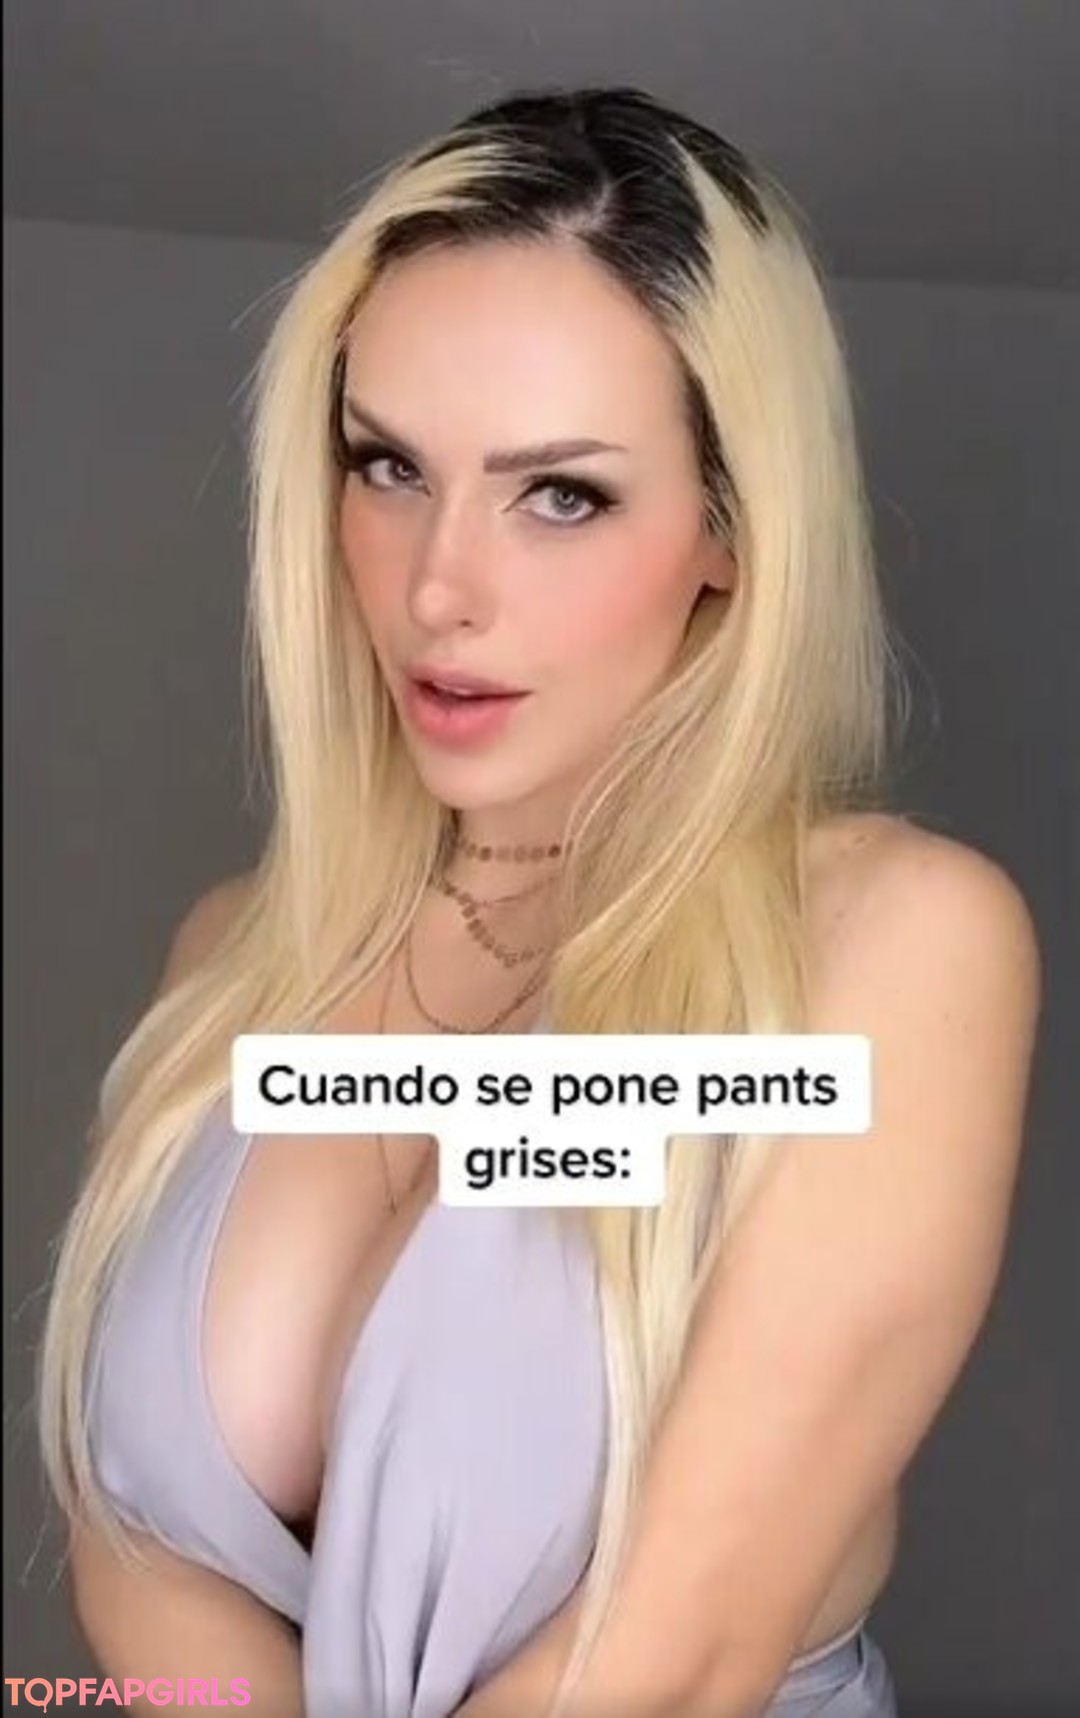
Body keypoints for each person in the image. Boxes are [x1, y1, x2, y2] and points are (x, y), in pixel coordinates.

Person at [36, 86, 1040, 1717]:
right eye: (388, 466)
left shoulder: (894, 947)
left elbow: (676, 1654)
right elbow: (137, 1563)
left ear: (728, 528)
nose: (440, 587)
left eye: (560, 493)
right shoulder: (234, 957)